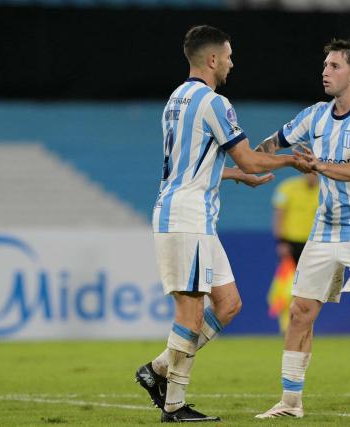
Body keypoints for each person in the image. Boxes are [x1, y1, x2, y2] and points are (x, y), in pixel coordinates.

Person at [134, 25, 301, 423]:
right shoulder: (214, 102)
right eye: (227, 55)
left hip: (192, 216)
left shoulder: (176, 99)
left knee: (228, 304)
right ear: (211, 59)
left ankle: (158, 369)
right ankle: (174, 406)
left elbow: (188, 166)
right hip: (186, 218)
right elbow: (249, 157)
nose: (231, 62)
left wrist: (232, 176)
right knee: (189, 314)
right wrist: (291, 160)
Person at [255, 39, 350, 420]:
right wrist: (264, 157)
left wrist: (316, 166)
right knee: (300, 310)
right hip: (325, 228)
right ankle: (290, 402)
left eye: (334, 66)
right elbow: (269, 145)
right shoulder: (314, 115)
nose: (325, 71)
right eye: (325, 65)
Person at [267, 172, 319, 334]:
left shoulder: (325, 191)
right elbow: (278, 216)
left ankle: (304, 324)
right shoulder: (288, 188)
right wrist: (281, 242)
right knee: (287, 287)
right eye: (310, 173)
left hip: (314, 246)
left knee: (309, 289)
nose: (312, 177)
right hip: (291, 245)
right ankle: (286, 326)